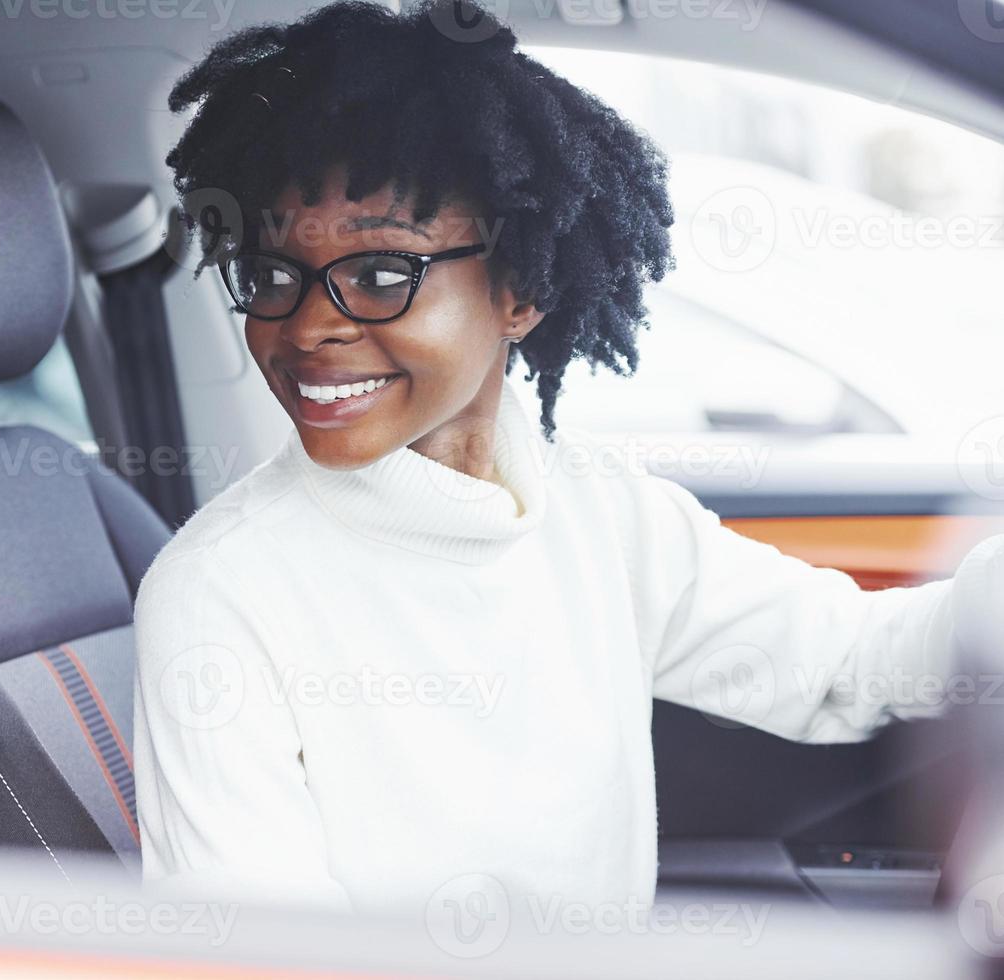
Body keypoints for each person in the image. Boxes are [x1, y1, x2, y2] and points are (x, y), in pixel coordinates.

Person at [131, 0, 1004, 915]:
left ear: (522, 293)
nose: (306, 325)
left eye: (383, 274)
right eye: (272, 276)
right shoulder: (222, 592)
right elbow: (261, 966)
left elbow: (848, 663)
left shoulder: (600, 513)